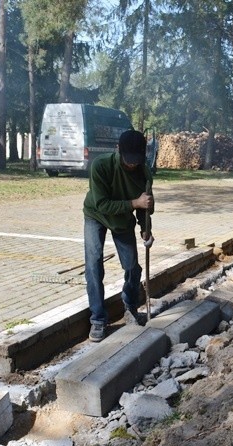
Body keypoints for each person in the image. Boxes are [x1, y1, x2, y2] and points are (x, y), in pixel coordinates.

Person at [83, 130, 154, 342]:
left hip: (122, 221)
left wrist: (145, 227)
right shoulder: (101, 166)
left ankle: (130, 307)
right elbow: (102, 204)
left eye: (136, 161)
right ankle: (98, 318)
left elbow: (146, 205)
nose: (132, 165)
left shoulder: (144, 172)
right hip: (96, 216)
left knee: (132, 266)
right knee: (94, 265)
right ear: (118, 151)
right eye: (128, 160)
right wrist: (134, 203)